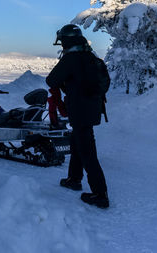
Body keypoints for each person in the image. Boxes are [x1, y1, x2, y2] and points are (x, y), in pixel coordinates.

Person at [46, 24, 111, 209]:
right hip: (92, 109)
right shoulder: (90, 56)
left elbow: (51, 80)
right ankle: (74, 178)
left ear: (65, 40)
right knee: (77, 142)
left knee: (88, 151)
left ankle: (100, 194)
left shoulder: (71, 59)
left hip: (79, 110)